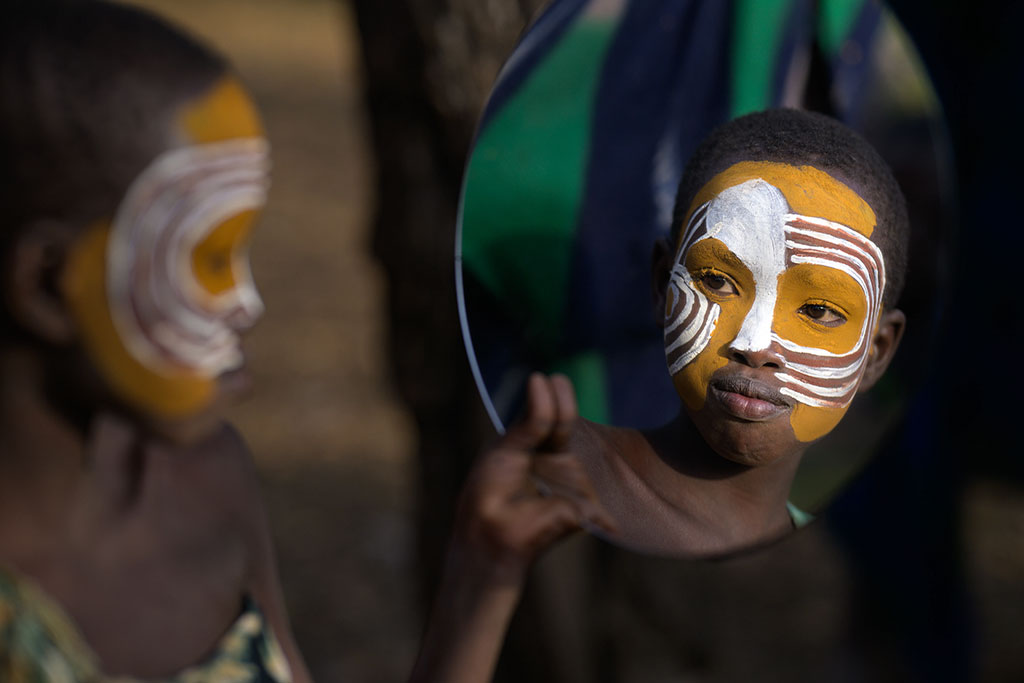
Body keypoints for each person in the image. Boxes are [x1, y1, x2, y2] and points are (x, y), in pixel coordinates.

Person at [0, 2, 610, 681]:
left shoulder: (208, 484)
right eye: (207, 260)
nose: (248, 303)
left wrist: (482, 572)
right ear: (48, 286)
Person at [565, 108, 909, 556]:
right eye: (718, 281)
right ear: (662, 285)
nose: (755, 344)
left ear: (876, 353)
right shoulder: (560, 473)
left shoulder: (835, 571)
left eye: (820, 309)